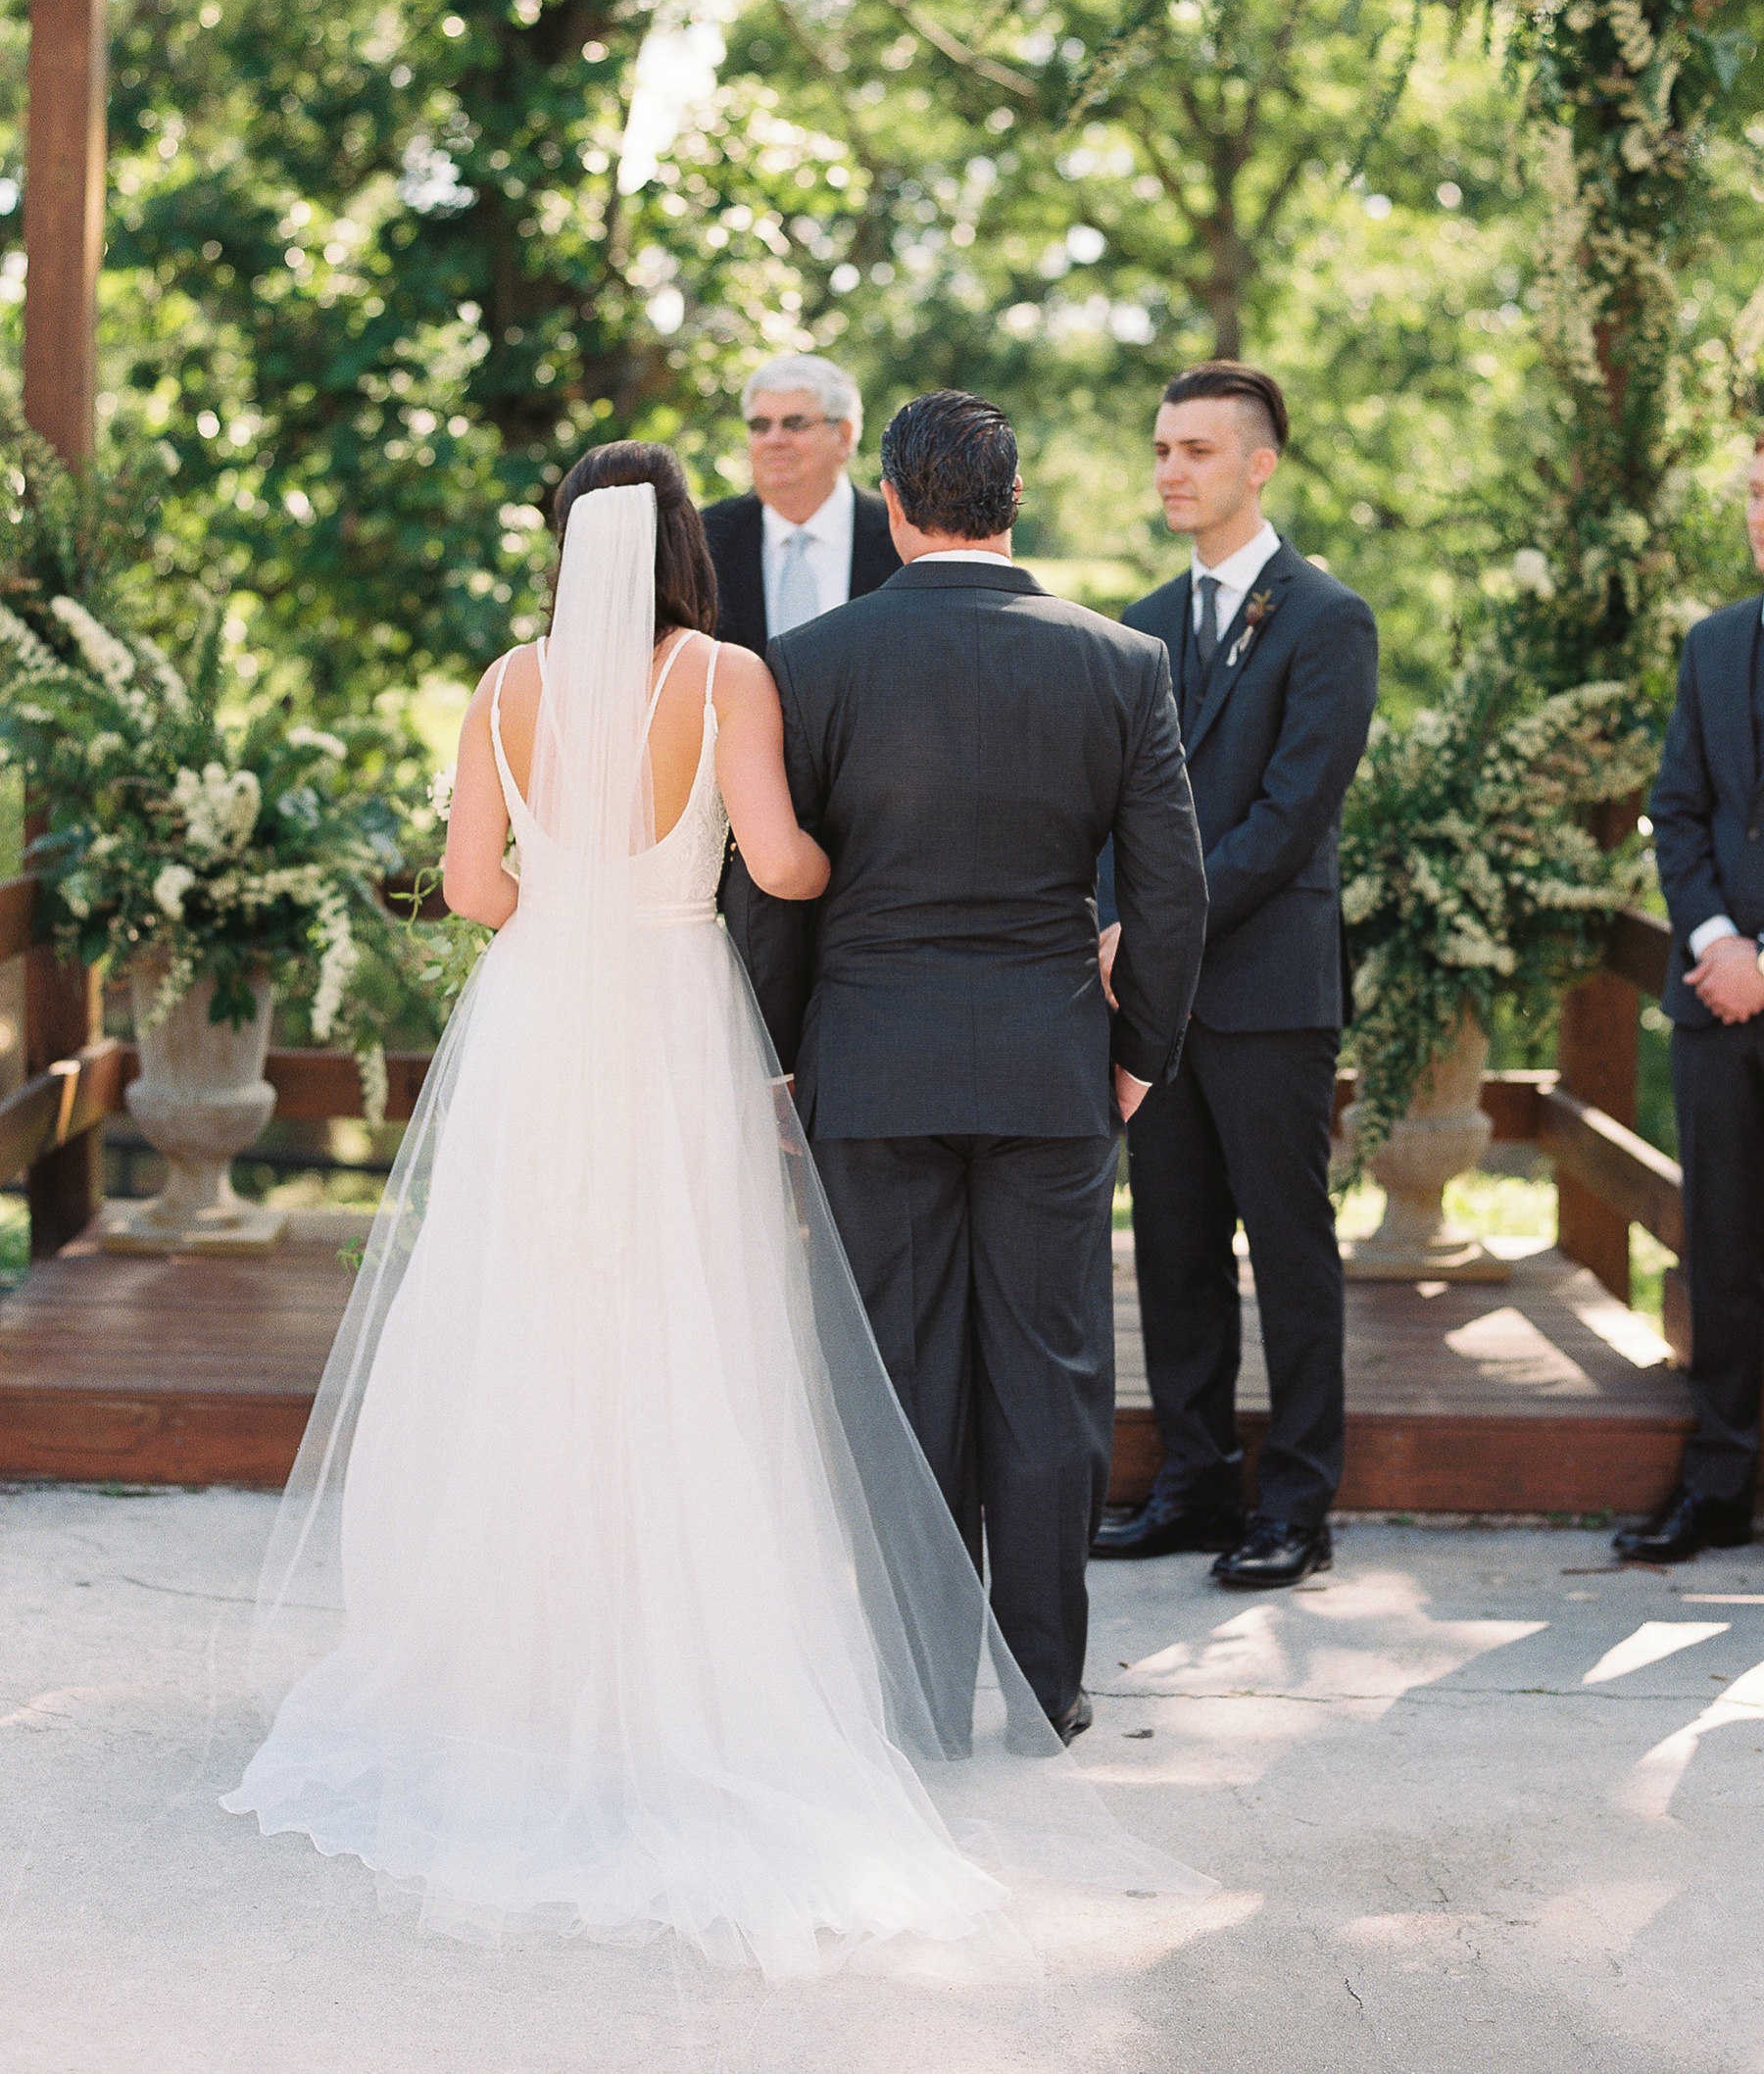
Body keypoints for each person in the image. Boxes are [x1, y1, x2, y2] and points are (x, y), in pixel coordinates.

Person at [222, 439, 1205, 1980]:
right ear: (693, 539)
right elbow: (803, 862)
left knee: (565, 1323)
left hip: (569, 1026)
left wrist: (608, 902)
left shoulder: (529, 684)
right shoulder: (767, 673)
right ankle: (968, 1673)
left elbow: (477, 890)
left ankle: (627, 1672)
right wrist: (1121, 1039)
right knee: (816, 1337)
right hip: (793, 1030)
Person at [726, 391, 1208, 1744]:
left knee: (901, 1380)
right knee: (1051, 1379)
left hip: (869, 1075)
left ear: (891, 502)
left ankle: (920, 1697)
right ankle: (1046, 1689)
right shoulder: (1120, 663)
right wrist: (1137, 1059)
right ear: (1013, 503)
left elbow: (767, 894)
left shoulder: (809, 663)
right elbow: (1173, 896)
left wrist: (779, 1062)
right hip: (1055, 1069)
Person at [1093, 363, 1378, 1590]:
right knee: (1170, 1242)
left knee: (1289, 1244)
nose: (1170, 469)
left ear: (1259, 463)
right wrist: (1113, 927)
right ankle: (1196, 1478)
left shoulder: (1327, 617)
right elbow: (1110, 809)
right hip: (1158, 1002)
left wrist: (1152, 926)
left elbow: (1290, 812)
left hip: (1269, 991)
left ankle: (1298, 1503)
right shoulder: (1145, 622)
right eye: (1162, 447)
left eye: (1196, 450)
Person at [1613, 443, 1764, 1565]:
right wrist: (1716, 940)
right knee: (1720, 1249)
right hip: (1719, 1005)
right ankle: (1718, 1482)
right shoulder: (1714, 642)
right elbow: (1682, 802)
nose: (1763, 514)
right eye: (1756, 492)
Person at [700, 351, 900, 651]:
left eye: (794, 424)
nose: (774, 440)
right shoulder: (705, 537)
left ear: (844, 435)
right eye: (760, 426)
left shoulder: (903, 533)